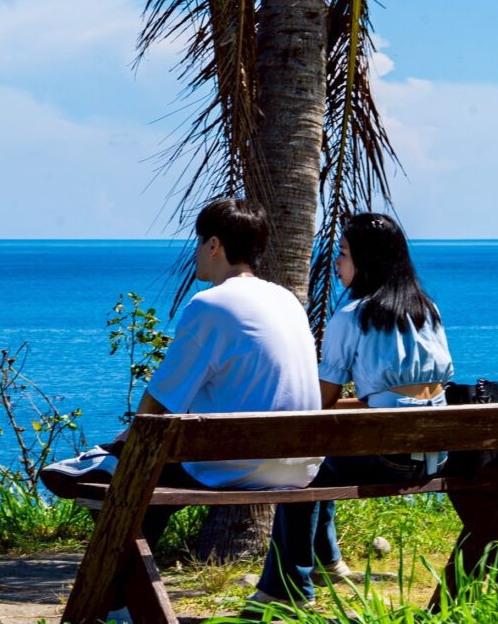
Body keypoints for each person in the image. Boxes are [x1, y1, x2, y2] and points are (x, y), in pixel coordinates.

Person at [251, 212, 454, 607]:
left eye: (343, 254)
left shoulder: (352, 316)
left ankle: (286, 590)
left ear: (368, 261)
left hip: (389, 458)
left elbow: (321, 401)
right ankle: (326, 561)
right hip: (435, 456)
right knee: (327, 452)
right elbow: (400, 397)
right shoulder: (427, 311)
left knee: (301, 472)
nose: (336, 263)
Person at [128, 198, 324, 549]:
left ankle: (117, 590)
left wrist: (126, 446)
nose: (198, 252)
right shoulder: (286, 300)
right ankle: (125, 591)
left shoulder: (210, 304)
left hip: (241, 465)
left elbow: (160, 400)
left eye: (200, 242)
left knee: (135, 474)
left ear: (214, 244)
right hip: (301, 465)